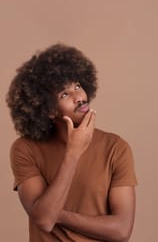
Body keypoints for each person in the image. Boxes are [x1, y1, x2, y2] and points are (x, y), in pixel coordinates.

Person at [6, 43, 137, 242]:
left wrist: (59, 214)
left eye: (77, 86)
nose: (79, 97)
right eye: (65, 94)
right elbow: (44, 221)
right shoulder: (25, 149)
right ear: (49, 110)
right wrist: (73, 153)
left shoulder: (115, 148)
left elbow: (121, 231)